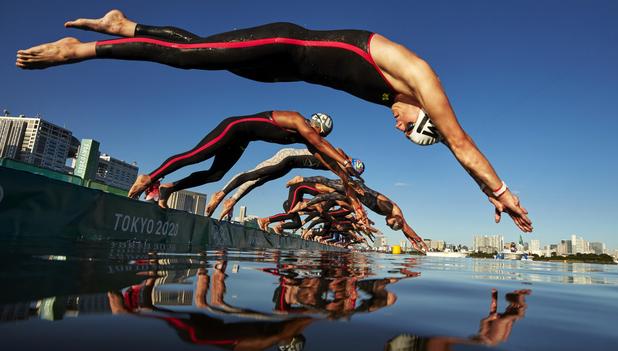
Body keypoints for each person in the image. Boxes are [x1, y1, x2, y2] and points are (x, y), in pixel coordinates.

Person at [16, 9, 532, 233]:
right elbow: (458, 139)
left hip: (281, 73)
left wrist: (482, 191)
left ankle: (125, 25)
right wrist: (501, 189)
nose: (397, 125)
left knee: (197, 49)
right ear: (426, 113)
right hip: (284, 43)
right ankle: (80, 50)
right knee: (189, 59)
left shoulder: (408, 103)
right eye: (409, 127)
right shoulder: (419, 77)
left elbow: (450, 144)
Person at [120, 110, 365, 226]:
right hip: (234, 128)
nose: (316, 135)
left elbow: (334, 168)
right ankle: (149, 177)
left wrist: (354, 199)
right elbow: (322, 145)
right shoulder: (298, 120)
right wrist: (345, 160)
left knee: (215, 175)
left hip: (243, 141)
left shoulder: (309, 141)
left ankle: (168, 189)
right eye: (318, 132)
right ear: (316, 125)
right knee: (196, 156)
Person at [205, 147, 365, 218]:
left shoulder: (341, 169)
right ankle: (222, 193)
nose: (349, 172)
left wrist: (357, 205)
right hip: (287, 156)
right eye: (351, 168)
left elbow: (346, 184)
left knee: (258, 182)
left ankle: (232, 200)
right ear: (350, 161)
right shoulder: (339, 155)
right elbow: (341, 153)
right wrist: (348, 166)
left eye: (352, 173)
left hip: (289, 165)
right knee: (255, 174)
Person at [289, 176, 429, 253]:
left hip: (356, 196)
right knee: (328, 183)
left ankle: (304, 204)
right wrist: (359, 208)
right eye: (389, 223)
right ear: (395, 219)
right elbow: (369, 195)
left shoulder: (397, 216)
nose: (386, 223)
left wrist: (415, 241)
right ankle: (301, 180)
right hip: (356, 188)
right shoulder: (388, 207)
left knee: (330, 195)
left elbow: (405, 227)